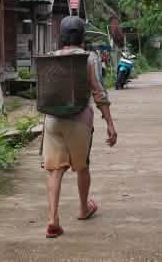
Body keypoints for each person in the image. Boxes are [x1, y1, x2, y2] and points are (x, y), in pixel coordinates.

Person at [41, 16, 118, 238]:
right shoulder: (89, 58)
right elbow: (99, 92)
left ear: (61, 36)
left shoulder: (50, 57)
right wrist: (110, 124)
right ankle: (84, 209)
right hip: (79, 119)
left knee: (55, 170)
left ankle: (52, 219)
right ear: (82, 37)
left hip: (52, 119)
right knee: (81, 166)